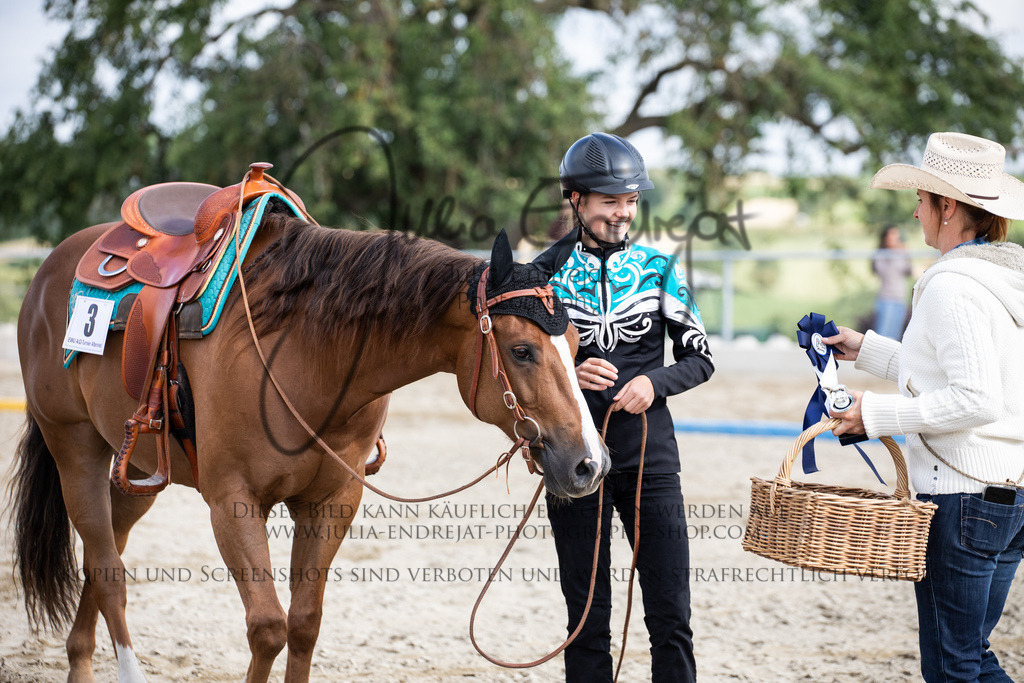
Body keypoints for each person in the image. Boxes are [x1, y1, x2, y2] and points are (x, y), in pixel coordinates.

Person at [823, 132, 1024, 682]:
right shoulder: (1006, 275)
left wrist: (876, 415)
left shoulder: (949, 285)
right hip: (1009, 496)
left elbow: (975, 397)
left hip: (960, 498)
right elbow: (954, 369)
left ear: (949, 206)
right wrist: (863, 347)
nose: (916, 214)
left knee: (952, 665)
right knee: (973, 656)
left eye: (922, 200)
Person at [546, 131, 714, 682]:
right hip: (575, 463)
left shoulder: (659, 266)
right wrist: (570, 371)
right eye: (610, 201)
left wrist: (654, 384)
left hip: (651, 460)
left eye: (632, 200)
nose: (623, 213)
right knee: (586, 620)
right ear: (577, 199)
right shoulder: (542, 276)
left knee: (671, 615)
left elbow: (700, 357)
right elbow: (523, 365)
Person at [871, 224, 912, 339]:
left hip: (900, 298)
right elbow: (885, 271)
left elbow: (909, 271)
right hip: (886, 298)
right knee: (883, 334)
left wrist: (905, 253)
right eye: (891, 236)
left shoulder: (901, 254)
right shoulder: (881, 255)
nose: (895, 240)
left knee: (895, 334)